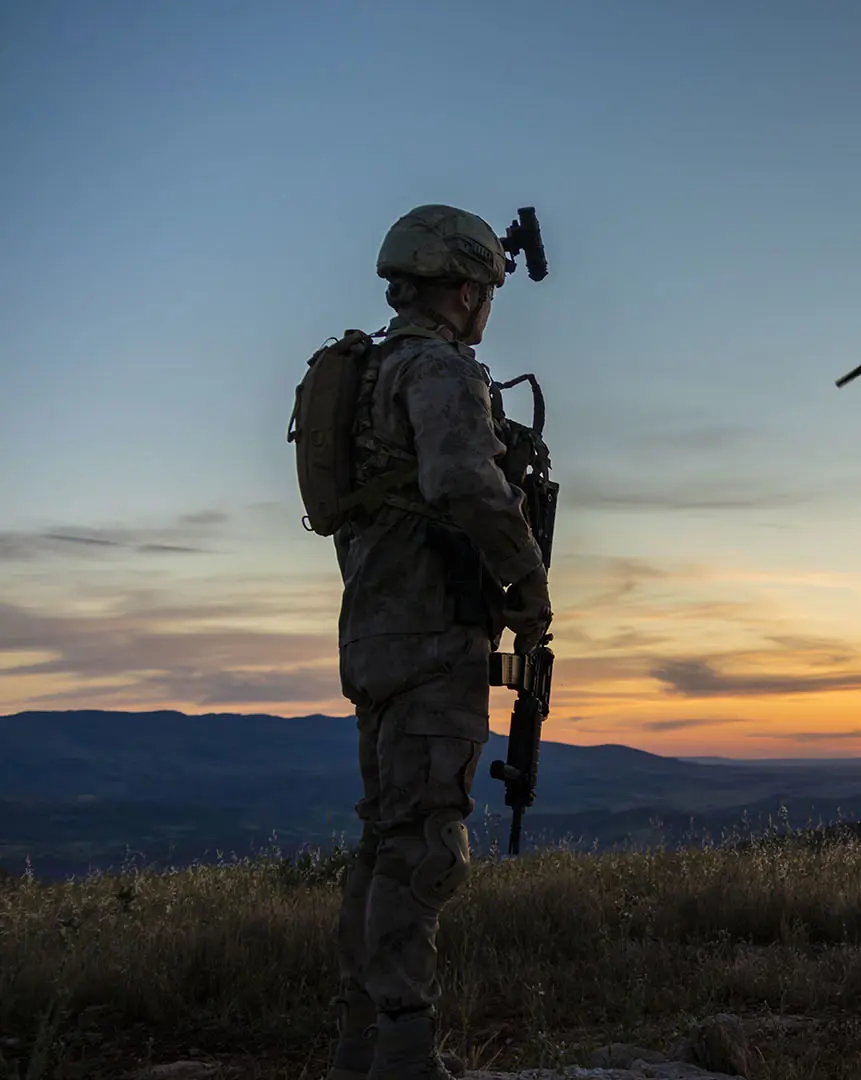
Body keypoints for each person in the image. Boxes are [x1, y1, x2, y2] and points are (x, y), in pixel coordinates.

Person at [325, 205, 553, 1080]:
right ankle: (406, 1058)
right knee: (424, 849)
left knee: (384, 841)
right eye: (487, 290)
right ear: (465, 290)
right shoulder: (438, 369)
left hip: (377, 635)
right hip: (430, 639)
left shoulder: (372, 370)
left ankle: (364, 1047)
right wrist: (527, 585)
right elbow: (463, 480)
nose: (489, 307)